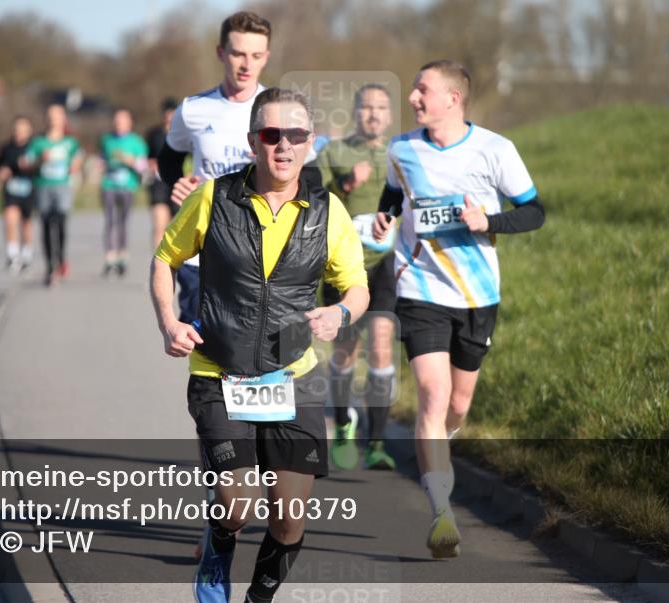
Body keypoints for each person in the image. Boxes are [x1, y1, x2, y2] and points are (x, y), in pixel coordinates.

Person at [150, 88, 368, 603]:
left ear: (310, 143)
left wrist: (340, 312)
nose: (284, 146)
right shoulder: (213, 197)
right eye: (272, 135)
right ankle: (219, 542)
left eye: (295, 136)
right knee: (236, 502)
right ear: (253, 142)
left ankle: (258, 598)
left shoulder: (327, 212)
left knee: (290, 521)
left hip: (292, 374)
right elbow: (165, 259)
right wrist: (169, 323)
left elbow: (357, 287)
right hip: (219, 370)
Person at [372, 60, 545, 559]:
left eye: (421, 90)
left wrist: (485, 220)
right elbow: (392, 193)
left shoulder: (495, 149)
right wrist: (385, 218)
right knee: (431, 393)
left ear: (452, 98)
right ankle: (441, 511)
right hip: (420, 289)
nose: (412, 98)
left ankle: (436, 454)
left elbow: (534, 211)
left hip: (476, 296)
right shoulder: (402, 148)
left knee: (457, 406)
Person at [158, 10, 272, 325]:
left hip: (258, 251)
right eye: (238, 54)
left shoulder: (278, 110)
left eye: (256, 55)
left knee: (247, 351)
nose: (247, 65)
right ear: (221, 53)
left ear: (266, 57)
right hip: (201, 250)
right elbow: (168, 158)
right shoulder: (193, 109)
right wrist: (176, 184)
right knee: (203, 342)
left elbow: (309, 175)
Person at [316, 84, 398, 471]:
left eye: (381, 107)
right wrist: (346, 183)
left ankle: (377, 441)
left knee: (381, 343)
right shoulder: (334, 152)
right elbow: (314, 197)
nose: (374, 114)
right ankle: (345, 422)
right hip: (344, 267)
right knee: (345, 352)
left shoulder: (400, 155)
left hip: (385, 265)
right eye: (367, 107)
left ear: (390, 114)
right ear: (355, 111)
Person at [22, 104, 82, 287]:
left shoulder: (70, 142)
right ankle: (50, 266)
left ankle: (61, 257)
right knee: (46, 224)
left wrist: (75, 165)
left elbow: (78, 158)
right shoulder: (38, 142)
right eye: (50, 116)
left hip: (62, 186)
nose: (53, 119)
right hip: (43, 186)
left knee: (60, 221)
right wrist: (41, 159)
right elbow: (26, 162)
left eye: (57, 116)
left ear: (63, 119)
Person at [99, 108, 148, 276]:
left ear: (129, 122)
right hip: (109, 185)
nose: (119, 124)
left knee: (123, 222)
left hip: (128, 186)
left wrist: (130, 160)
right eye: (116, 121)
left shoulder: (136, 142)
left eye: (122, 121)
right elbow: (101, 160)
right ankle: (109, 257)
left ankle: (122, 256)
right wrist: (102, 165)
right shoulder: (107, 140)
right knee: (110, 221)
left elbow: (143, 166)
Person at [0, 115, 35, 274]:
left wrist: (29, 166)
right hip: (11, 189)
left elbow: (40, 167)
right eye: (17, 129)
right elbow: (0, 166)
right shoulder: (6, 148)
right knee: (10, 220)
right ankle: (12, 255)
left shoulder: (34, 147)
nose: (20, 133)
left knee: (26, 223)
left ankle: (26, 254)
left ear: (29, 131)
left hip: (29, 189)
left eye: (23, 130)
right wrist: (3, 171)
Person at [143, 97, 178, 248]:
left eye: (172, 113)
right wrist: (149, 163)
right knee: (159, 225)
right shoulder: (154, 134)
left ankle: (176, 265)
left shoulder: (184, 134)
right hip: (158, 183)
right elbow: (146, 156)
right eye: (167, 113)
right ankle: (158, 262)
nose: (169, 117)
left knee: (176, 227)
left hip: (178, 183)